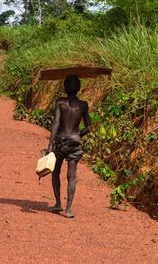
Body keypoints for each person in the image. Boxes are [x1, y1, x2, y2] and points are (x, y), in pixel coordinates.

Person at [46, 76, 91, 218]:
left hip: (59, 141)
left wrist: (50, 145)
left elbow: (56, 123)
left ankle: (58, 203)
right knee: (71, 176)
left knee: (55, 172)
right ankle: (69, 209)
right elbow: (88, 127)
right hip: (74, 142)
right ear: (79, 89)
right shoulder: (83, 105)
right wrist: (78, 135)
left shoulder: (60, 102)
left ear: (65, 88)